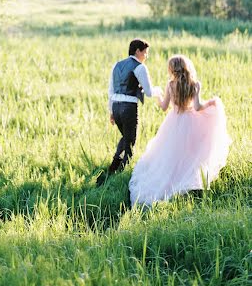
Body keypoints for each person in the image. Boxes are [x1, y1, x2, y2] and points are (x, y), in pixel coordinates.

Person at [129, 54, 231, 205]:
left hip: (174, 121)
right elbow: (197, 107)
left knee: (171, 153)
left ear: (172, 69)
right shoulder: (194, 84)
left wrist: (157, 95)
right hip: (191, 122)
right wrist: (211, 103)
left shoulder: (170, 85)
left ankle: (171, 179)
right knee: (189, 154)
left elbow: (164, 107)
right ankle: (186, 178)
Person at [97, 38, 162, 185]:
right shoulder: (140, 67)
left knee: (126, 137)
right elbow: (149, 92)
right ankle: (122, 170)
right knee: (130, 139)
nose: (146, 56)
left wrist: (111, 111)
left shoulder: (117, 65)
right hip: (128, 107)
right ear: (138, 51)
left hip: (116, 106)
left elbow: (111, 90)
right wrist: (161, 91)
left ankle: (114, 168)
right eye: (146, 52)